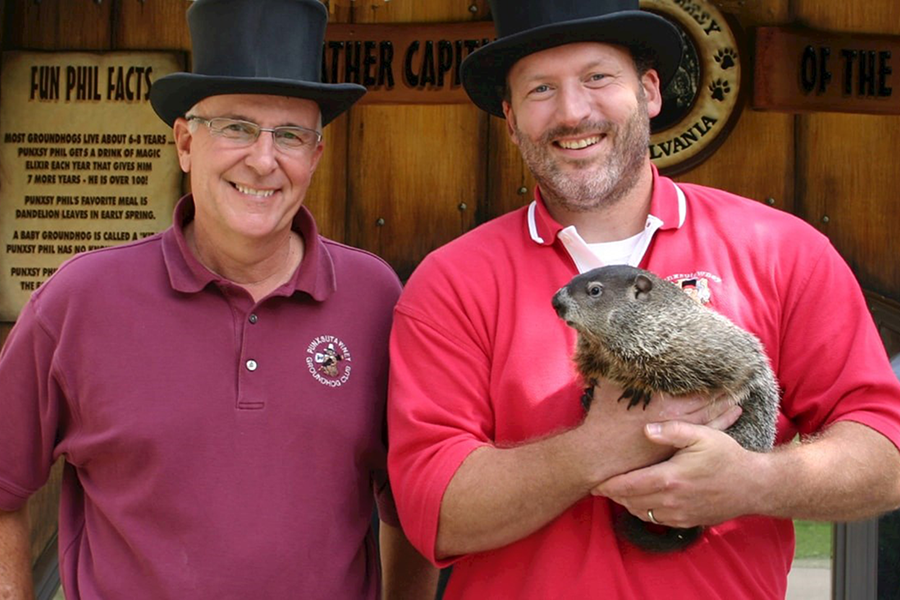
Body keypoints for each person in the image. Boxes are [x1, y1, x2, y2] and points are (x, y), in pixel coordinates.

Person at [386, 0, 900, 598]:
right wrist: (597, 448)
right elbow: (431, 511)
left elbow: (885, 456)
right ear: (510, 117)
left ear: (650, 91)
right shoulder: (451, 280)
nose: (573, 111)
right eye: (541, 88)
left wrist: (755, 481)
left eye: (598, 77)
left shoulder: (783, 250)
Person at [0, 0, 436, 598]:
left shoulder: (376, 299)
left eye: (289, 134)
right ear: (184, 142)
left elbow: (409, 506)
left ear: (315, 156)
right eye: (234, 127)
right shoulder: (79, 300)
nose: (262, 159)